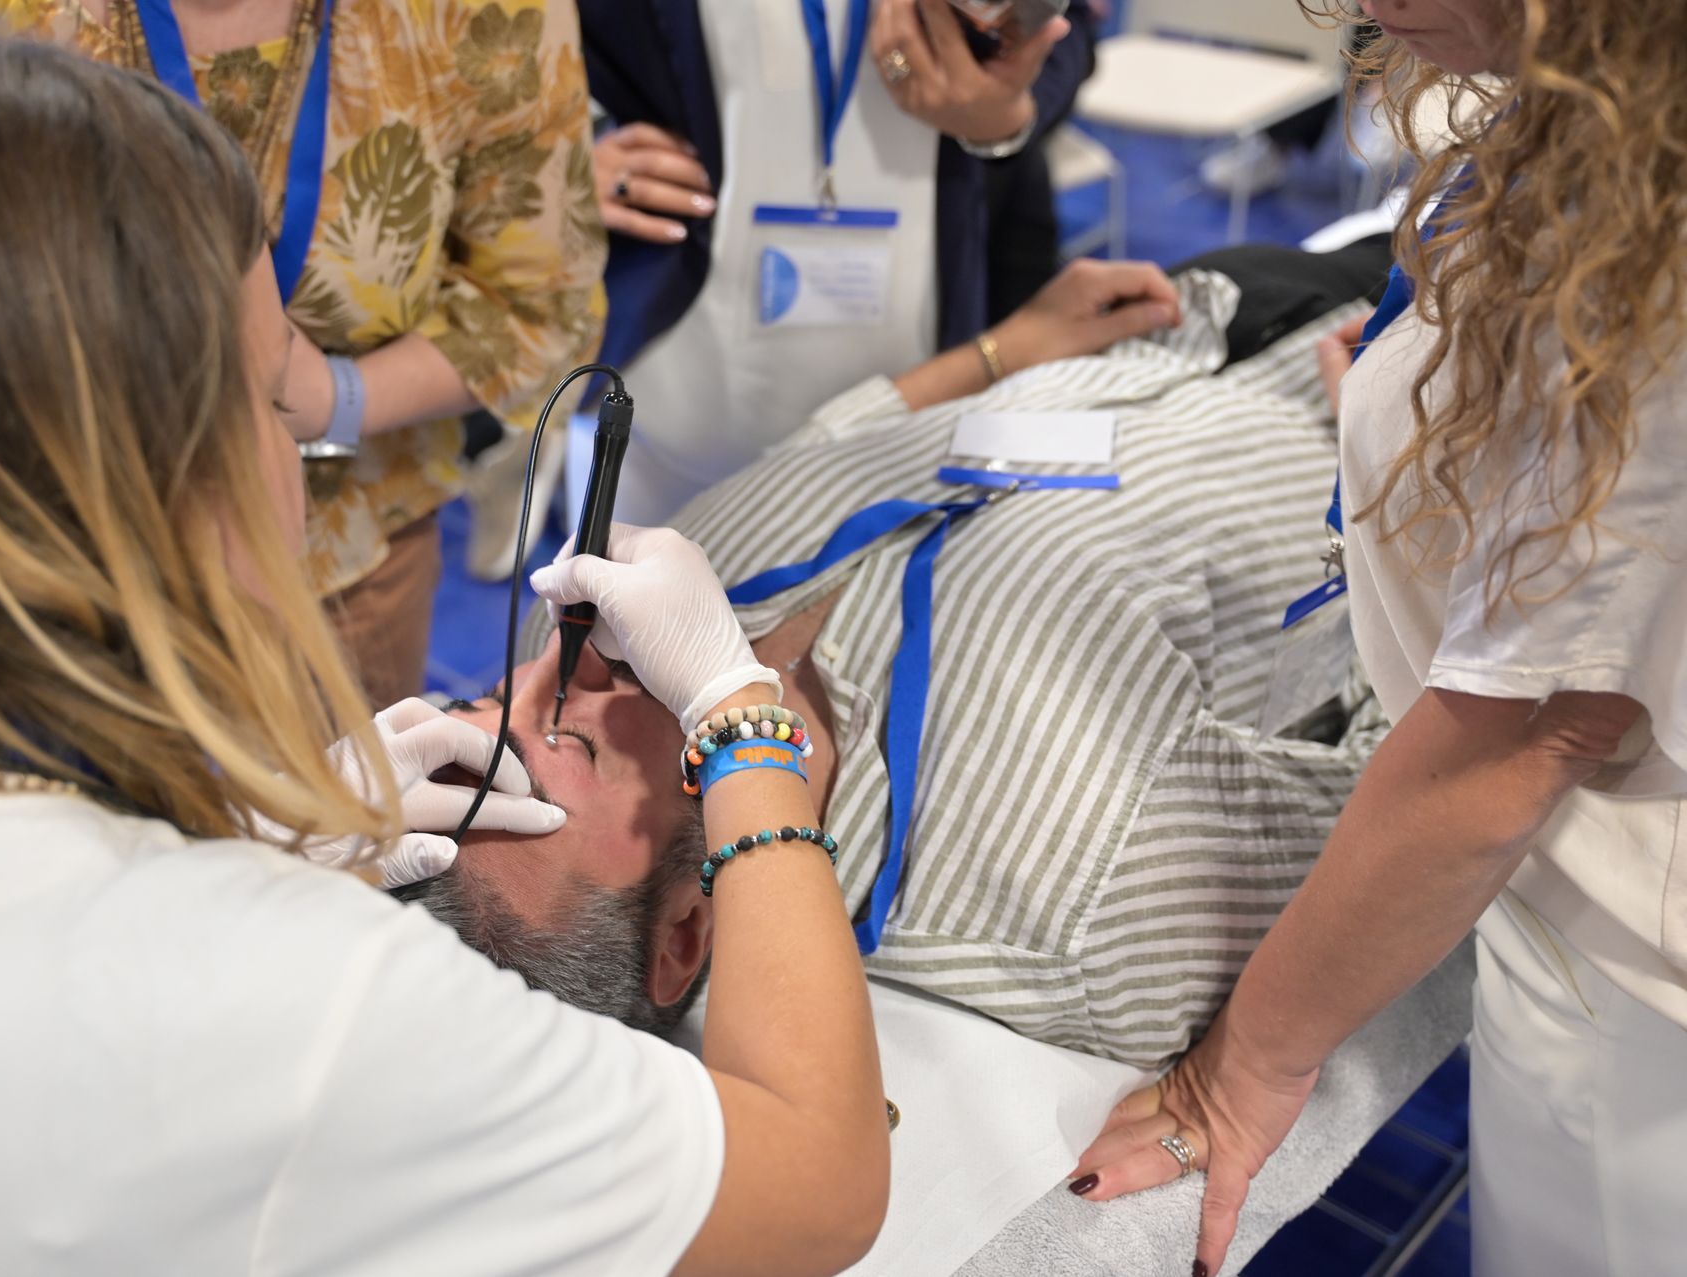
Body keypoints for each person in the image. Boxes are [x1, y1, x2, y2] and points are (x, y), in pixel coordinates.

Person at [0, 27, 889, 1275]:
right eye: (270, 397)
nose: (541, 685)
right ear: (147, 482)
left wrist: (230, 847)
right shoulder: (307, 1006)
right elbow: (819, 1180)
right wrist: (735, 713)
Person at [398, 250, 1400, 1067]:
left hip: (1190, 313)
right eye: (570, 742)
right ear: (687, 931)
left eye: (481, 697)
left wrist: (1000, 349)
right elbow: (1395, 769)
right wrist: (1407, 500)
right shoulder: (1076, 915)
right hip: (1404, 417)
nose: (552, 663)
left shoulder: (594, 627)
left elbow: (822, 448)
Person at [1072, 4, 1687, 1276]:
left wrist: (1243, 1069)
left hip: (1631, 995)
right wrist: (1422, 405)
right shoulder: (1595, 120)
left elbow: (1519, 743)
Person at [0, 0, 608, 707]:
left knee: (332, 822)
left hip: (341, 557)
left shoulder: (470, 18)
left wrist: (331, 396)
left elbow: (544, 301)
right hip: (21, 574)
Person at [555, 0, 1101, 528]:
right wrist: (553, 161)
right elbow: (521, 38)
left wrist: (1007, 113)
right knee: (634, 573)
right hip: (668, 383)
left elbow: (1065, 25)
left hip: (919, 371)